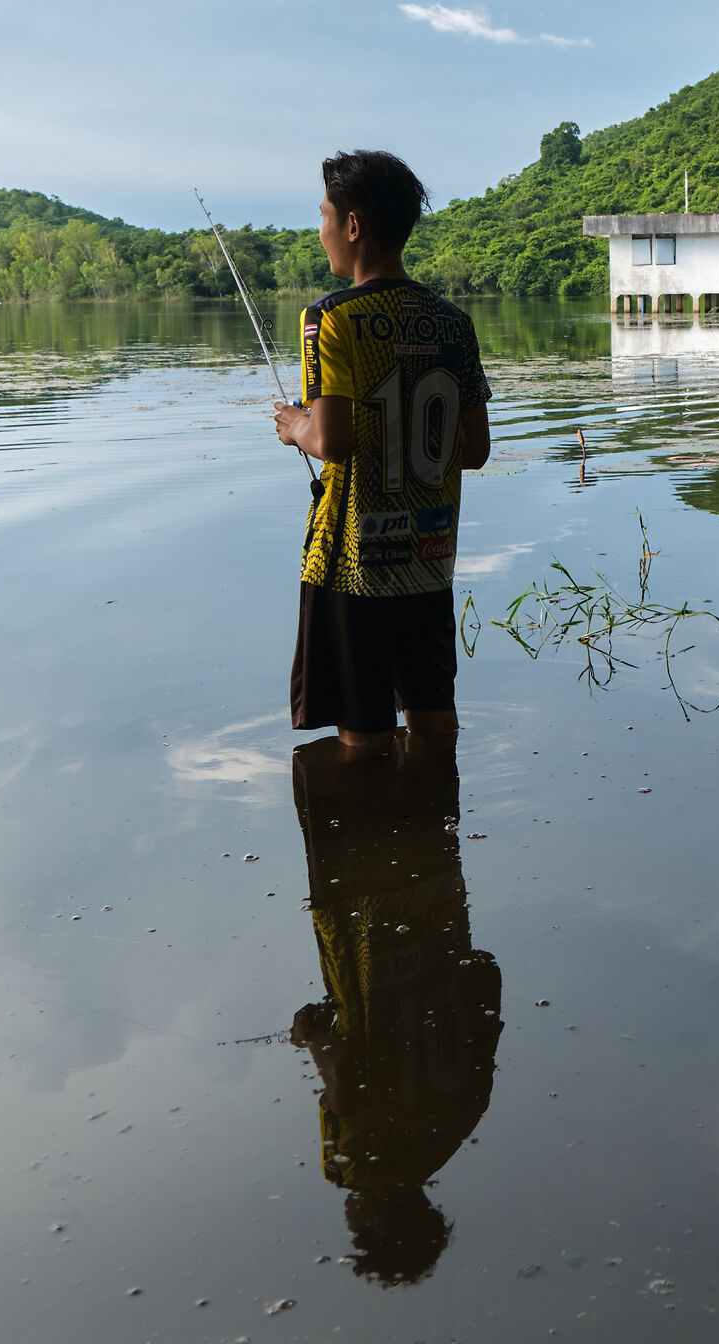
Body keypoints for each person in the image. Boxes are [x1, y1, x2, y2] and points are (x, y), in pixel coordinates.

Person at [275, 151, 492, 751]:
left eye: (324, 216)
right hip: (429, 558)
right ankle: (436, 827)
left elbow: (334, 441)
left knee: (363, 742)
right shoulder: (454, 323)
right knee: (433, 722)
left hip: (353, 566)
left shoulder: (330, 319)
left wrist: (297, 426)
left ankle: (377, 840)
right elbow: (474, 450)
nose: (320, 233)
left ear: (353, 225)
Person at [287, 734, 501, 1285]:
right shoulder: (354, 1167)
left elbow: (486, 985)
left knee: (398, 768)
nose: (350, 1219)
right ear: (381, 1225)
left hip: (434, 900)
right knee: (346, 769)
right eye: (359, 1231)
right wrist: (312, 1035)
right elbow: (349, 1082)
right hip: (364, 923)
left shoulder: (459, 1122)